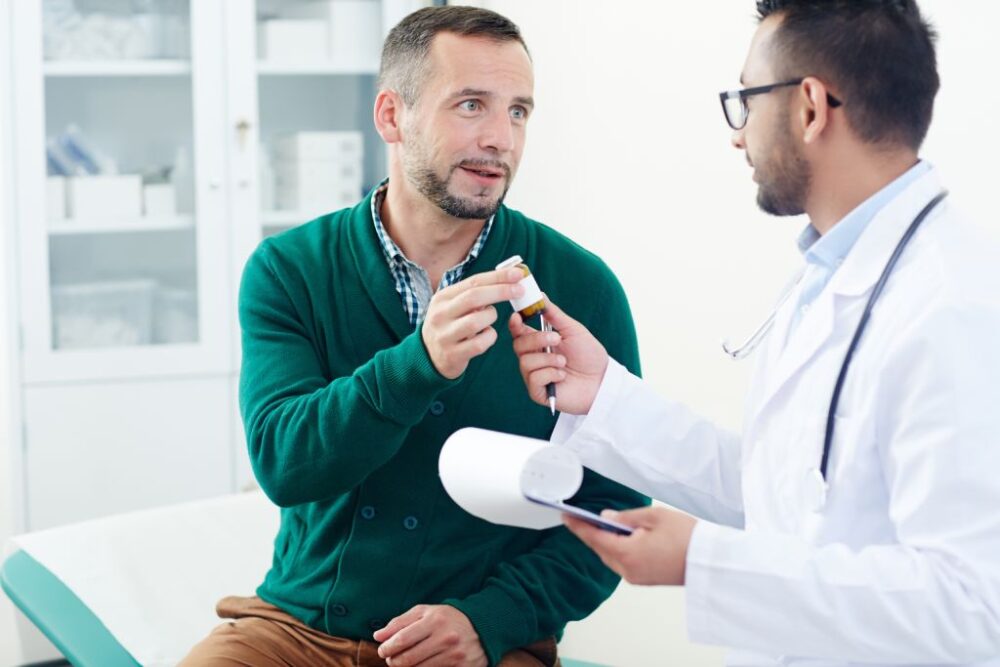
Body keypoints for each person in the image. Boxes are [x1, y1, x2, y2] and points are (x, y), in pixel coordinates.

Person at [510, 1, 1000, 665]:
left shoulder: (953, 303)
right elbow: (788, 491)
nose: (737, 134)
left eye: (746, 98)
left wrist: (705, 561)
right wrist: (602, 398)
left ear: (809, 107)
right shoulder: (831, 269)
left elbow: (973, 607)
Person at [178, 6, 646, 667]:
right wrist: (417, 363)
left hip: (476, 635)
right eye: (471, 105)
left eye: (518, 112)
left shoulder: (581, 287)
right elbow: (283, 462)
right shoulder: (289, 271)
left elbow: (615, 506)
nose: (500, 139)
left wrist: (489, 619)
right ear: (392, 117)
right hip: (297, 631)